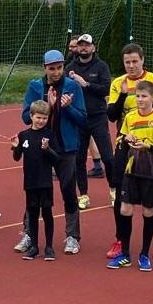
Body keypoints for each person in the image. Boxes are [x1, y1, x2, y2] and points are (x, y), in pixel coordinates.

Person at [105, 43, 153, 262]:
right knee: (120, 192)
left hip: (150, 146)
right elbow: (112, 115)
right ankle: (120, 240)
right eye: (127, 62)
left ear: (142, 60)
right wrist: (124, 95)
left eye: (135, 61)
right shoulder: (118, 83)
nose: (131, 65)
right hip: (124, 142)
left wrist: (140, 113)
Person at [21, 49, 86, 254]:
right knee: (34, 190)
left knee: (68, 190)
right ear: (44, 68)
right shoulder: (35, 86)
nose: (56, 72)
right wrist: (45, 107)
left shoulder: (72, 87)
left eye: (59, 68)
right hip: (40, 148)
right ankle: (29, 233)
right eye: (52, 68)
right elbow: (26, 117)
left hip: (66, 148)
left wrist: (68, 108)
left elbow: (83, 119)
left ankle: (72, 236)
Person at [66, 34, 112, 210]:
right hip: (79, 119)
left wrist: (86, 84)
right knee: (79, 159)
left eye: (87, 45)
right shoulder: (70, 68)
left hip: (98, 117)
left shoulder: (101, 66)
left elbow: (106, 89)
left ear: (93, 47)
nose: (83, 47)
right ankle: (83, 195)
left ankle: (114, 190)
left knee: (108, 157)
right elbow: (63, 88)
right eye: (81, 45)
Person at [11, 100, 60, 260]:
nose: (41, 121)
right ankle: (34, 247)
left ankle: (49, 247)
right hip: (30, 182)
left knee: (46, 213)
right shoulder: (23, 135)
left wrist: (47, 149)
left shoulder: (49, 135)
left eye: (45, 118)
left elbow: (57, 159)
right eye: (38, 117)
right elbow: (17, 157)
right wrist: (15, 146)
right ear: (31, 116)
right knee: (32, 214)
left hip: (45, 182)